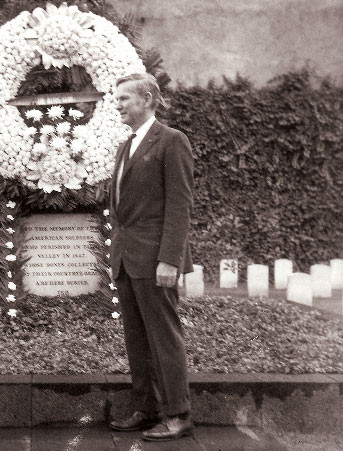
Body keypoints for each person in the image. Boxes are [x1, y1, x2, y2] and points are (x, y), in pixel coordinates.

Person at [108, 73, 195, 441]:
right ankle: (146, 408)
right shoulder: (126, 147)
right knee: (137, 339)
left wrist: (170, 260)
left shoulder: (171, 141)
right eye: (117, 99)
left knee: (164, 337)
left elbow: (179, 204)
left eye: (125, 98)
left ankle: (178, 413)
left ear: (147, 99)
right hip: (128, 259)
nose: (119, 104)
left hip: (155, 260)